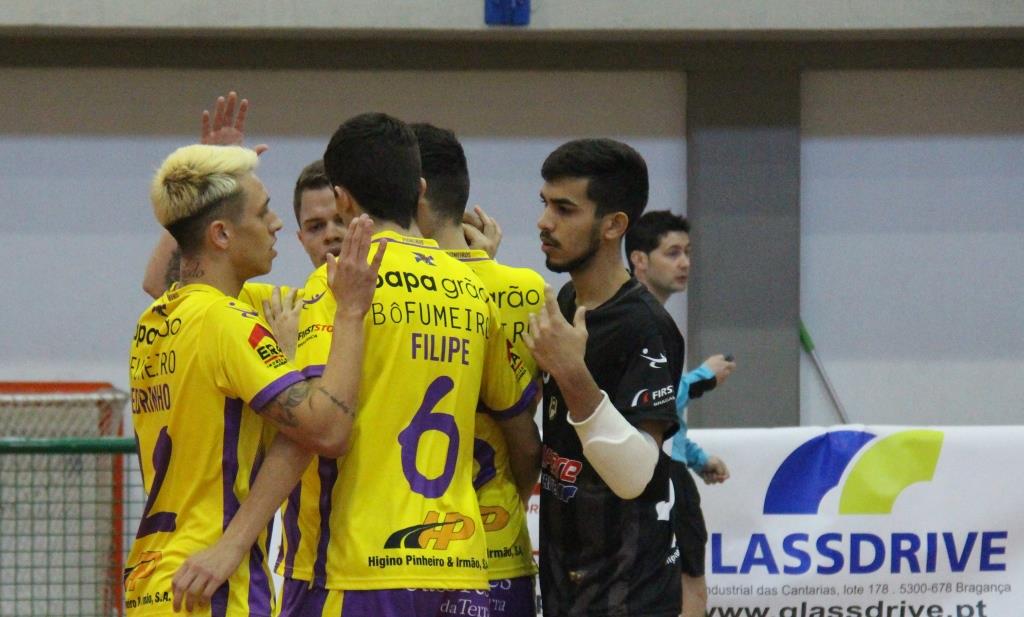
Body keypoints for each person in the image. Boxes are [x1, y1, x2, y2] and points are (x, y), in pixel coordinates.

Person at [278, 112, 538, 616]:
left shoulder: (337, 285)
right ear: (419, 189)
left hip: (359, 567)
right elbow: (519, 430)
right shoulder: (472, 288)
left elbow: (312, 423)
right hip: (461, 567)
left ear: (343, 199)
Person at [126, 143, 383, 616]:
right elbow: (325, 429)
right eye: (264, 213)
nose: (276, 224)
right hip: (212, 584)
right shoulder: (231, 322)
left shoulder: (154, 322)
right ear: (222, 235)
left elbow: (166, 272)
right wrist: (349, 312)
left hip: (154, 578)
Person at [524, 138, 683, 617]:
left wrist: (573, 373)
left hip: (628, 595)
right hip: (565, 584)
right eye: (545, 204)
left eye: (565, 209)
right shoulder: (565, 303)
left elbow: (637, 474)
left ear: (614, 225)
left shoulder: (645, 325)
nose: (544, 222)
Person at [411, 121, 544, 617]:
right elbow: (526, 438)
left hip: (406, 553)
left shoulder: (378, 293)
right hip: (501, 543)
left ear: (414, 195)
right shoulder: (528, 291)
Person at [626, 209, 735, 617]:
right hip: (647, 479)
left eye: (687, 252)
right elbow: (654, 401)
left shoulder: (656, 319)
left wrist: (697, 458)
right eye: (672, 253)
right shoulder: (639, 320)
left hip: (661, 471)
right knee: (689, 593)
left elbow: (667, 423)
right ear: (639, 259)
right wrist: (704, 377)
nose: (685, 262)